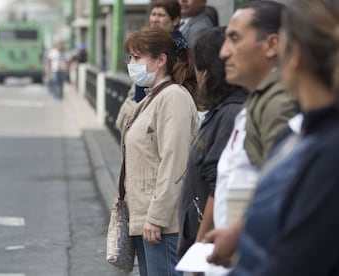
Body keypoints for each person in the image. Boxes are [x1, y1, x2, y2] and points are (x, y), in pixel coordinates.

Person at [217, 0, 339, 274]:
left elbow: (297, 257)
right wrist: (241, 234)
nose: (224, 53)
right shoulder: (308, 136)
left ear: (292, 52)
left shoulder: (327, 153)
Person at [202, 0, 298, 271]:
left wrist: (239, 235)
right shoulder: (257, 100)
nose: (223, 53)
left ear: (272, 45)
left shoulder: (278, 105)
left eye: (234, 38)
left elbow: (286, 191)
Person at [121, 26, 199, 276]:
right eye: (130, 58)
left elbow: (175, 161)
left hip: (162, 224)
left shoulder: (173, 97)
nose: (131, 64)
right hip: (146, 220)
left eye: (137, 58)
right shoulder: (149, 99)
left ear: (161, 60)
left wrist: (157, 217)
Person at [177, 27, 247, 261]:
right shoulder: (221, 112)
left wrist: (199, 251)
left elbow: (217, 186)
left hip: (207, 249)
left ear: (206, 72)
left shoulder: (230, 115)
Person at [116, 0, 199, 132]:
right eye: (153, 14)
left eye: (161, 15)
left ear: (176, 20)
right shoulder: (151, 43)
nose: (155, 19)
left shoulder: (176, 47)